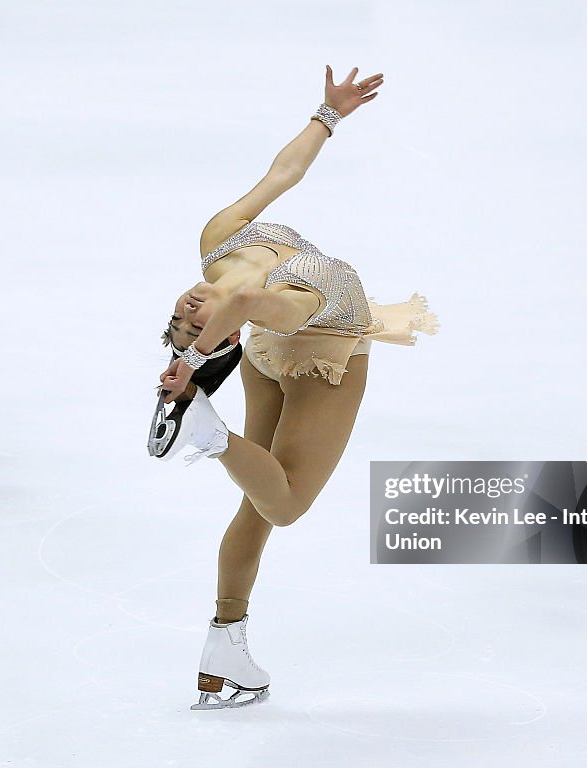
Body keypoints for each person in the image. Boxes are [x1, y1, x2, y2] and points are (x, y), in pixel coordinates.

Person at [150, 65, 438, 709]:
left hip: (260, 356)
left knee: (257, 506)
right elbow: (249, 301)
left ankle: (225, 645)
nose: (188, 309)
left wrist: (327, 114)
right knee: (285, 506)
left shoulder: (216, 242)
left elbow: (281, 176)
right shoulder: (275, 301)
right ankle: (212, 435)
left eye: (177, 312)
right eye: (192, 324)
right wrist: (196, 363)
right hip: (318, 358)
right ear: (219, 335)